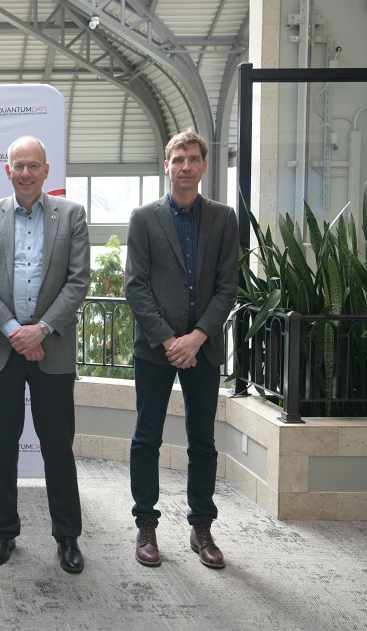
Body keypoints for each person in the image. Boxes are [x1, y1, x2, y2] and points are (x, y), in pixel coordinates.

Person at [0, 135, 91, 573]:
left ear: (46, 170)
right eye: (17, 165)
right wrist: (15, 331)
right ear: (7, 170)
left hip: (51, 349)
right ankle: (4, 531)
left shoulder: (71, 215)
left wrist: (40, 330)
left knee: (57, 447)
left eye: (32, 165)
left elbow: (78, 282)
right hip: (1, 349)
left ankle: (67, 538)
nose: (25, 172)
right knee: (2, 446)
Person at [124, 129, 238, 570]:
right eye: (178, 159)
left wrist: (198, 337)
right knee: (146, 437)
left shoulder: (224, 218)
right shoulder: (143, 218)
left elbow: (228, 286)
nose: (186, 166)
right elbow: (136, 286)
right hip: (157, 348)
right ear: (166, 165)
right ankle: (146, 524)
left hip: (203, 349)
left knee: (202, 441)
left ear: (204, 166)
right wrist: (171, 340)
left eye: (193, 158)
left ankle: (201, 526)